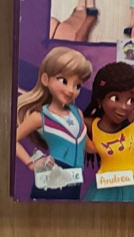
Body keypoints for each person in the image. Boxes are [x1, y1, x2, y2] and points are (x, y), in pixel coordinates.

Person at [15, 48, 92, 200]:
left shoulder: (78, 113)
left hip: (75, 181)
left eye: (77, 86)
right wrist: (31, 163)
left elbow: (87, 145)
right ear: (45, 79)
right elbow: (11, 141)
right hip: (52, 177)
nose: (71, 90)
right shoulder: (40, 117)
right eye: (64, 81)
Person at [83, 62, 134, 201]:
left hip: (130, 185)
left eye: (131, 100)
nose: (124, 107)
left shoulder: (133, 119)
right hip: (104, 187)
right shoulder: (91, 125)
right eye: (115, 98)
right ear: (100, 99)